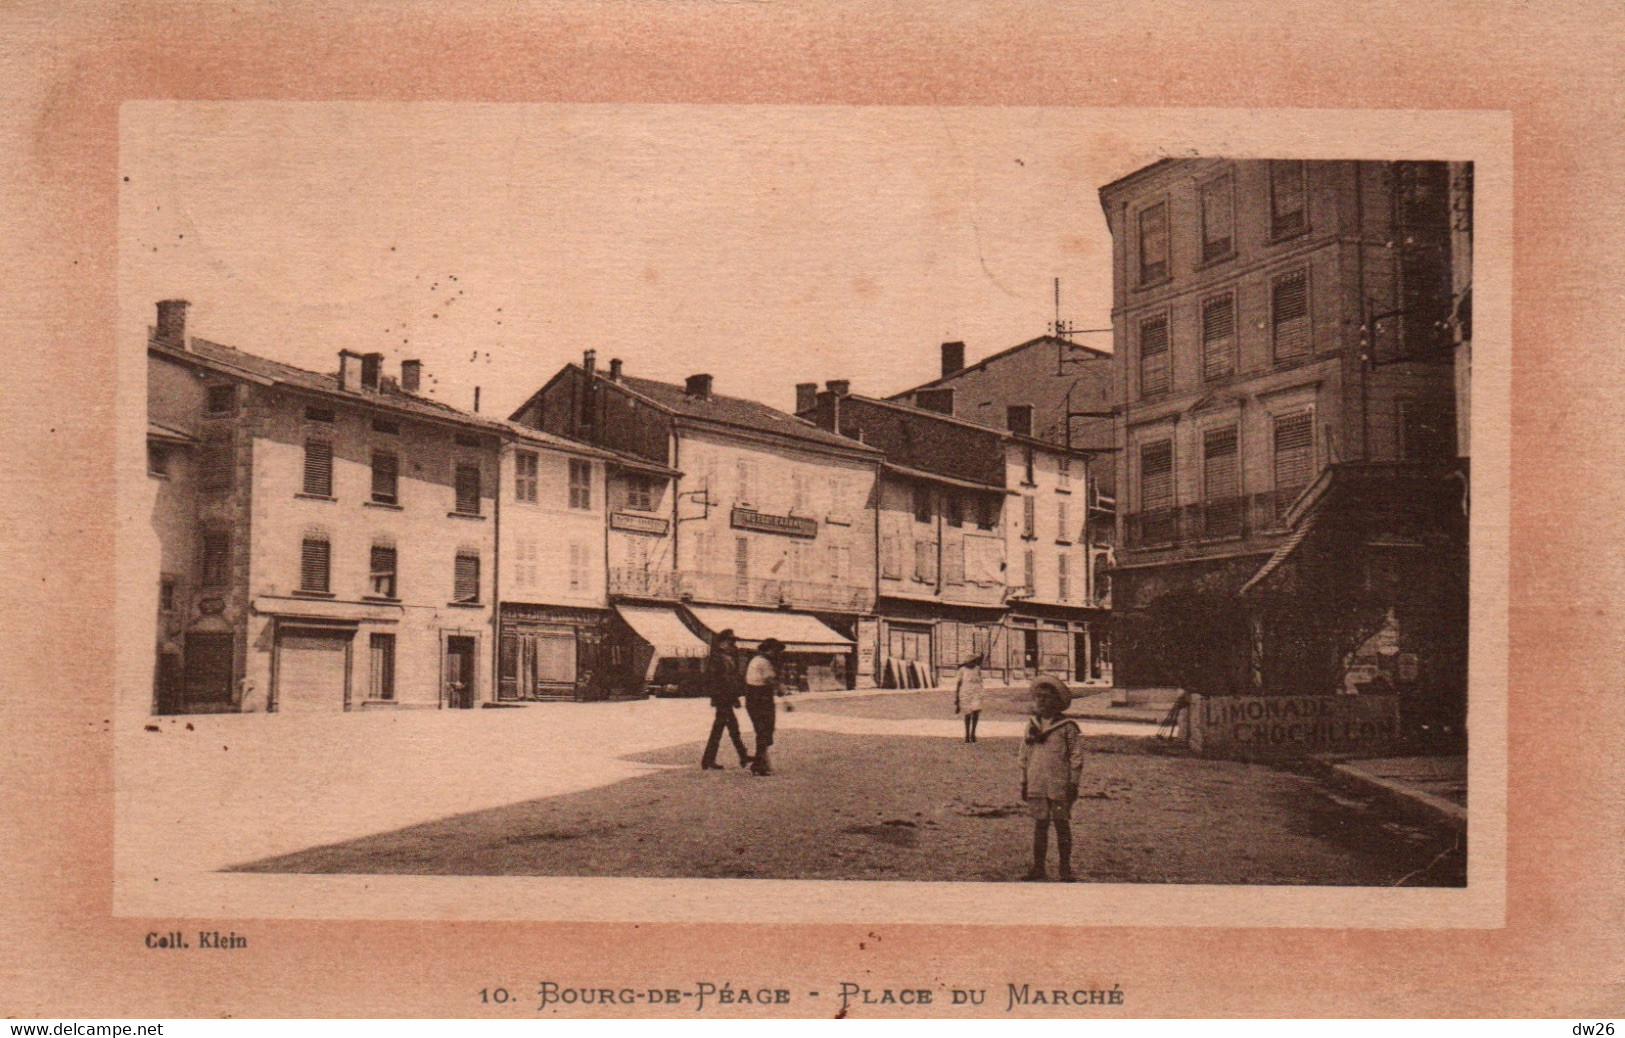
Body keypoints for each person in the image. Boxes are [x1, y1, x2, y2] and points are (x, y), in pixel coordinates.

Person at [1018, 675, 1084, 882]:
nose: (1042, 702)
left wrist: (1073, 783)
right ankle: (1039, 868)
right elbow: (1024, 755)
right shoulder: (1032, 725)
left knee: (1061, 825)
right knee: (1040, 825)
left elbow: (1076, 757)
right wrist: (1024, 781)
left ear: (1058, 702)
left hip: (1058, 785)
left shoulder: (1067, 727)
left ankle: (1065, 869)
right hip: (1037, 783)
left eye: (1047, 698)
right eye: (1038, 698)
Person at [699, 629, 752, 771]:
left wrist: (734, 696)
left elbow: (732, 679)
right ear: (723, 642)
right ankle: (742, 755)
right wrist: (727, 697)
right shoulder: (717, 658)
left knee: (724, 729)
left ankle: (709, 760)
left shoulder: (728, 657)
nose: (733, 644)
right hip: (722, 698)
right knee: (729, 728)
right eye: (730, 641)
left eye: (733, 641)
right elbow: (716, 680)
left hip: (726, 698)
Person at [743, 638, 786, 776]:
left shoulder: (755, 660)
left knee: (762, 731)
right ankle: (759, 764)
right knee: (765, 731)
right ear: (769, 649)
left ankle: (761, 762)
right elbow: (770, 680)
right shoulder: (763, 662)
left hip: (753, 697)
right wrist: (782, 693)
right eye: (775, 651)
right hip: (761, 698)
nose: (777, 654)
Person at [954, 653, 985, 743]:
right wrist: (957, 697)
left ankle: (973, 733)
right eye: (971, 661)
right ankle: (967, 734)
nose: (973, 663)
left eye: (974, 661)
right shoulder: (962, 670)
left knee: (976, 712)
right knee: (968, 714)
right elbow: (958, 684)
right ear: (967, 662)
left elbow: (980, 681)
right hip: (965, 694)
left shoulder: (977, 669)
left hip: (976, 693)